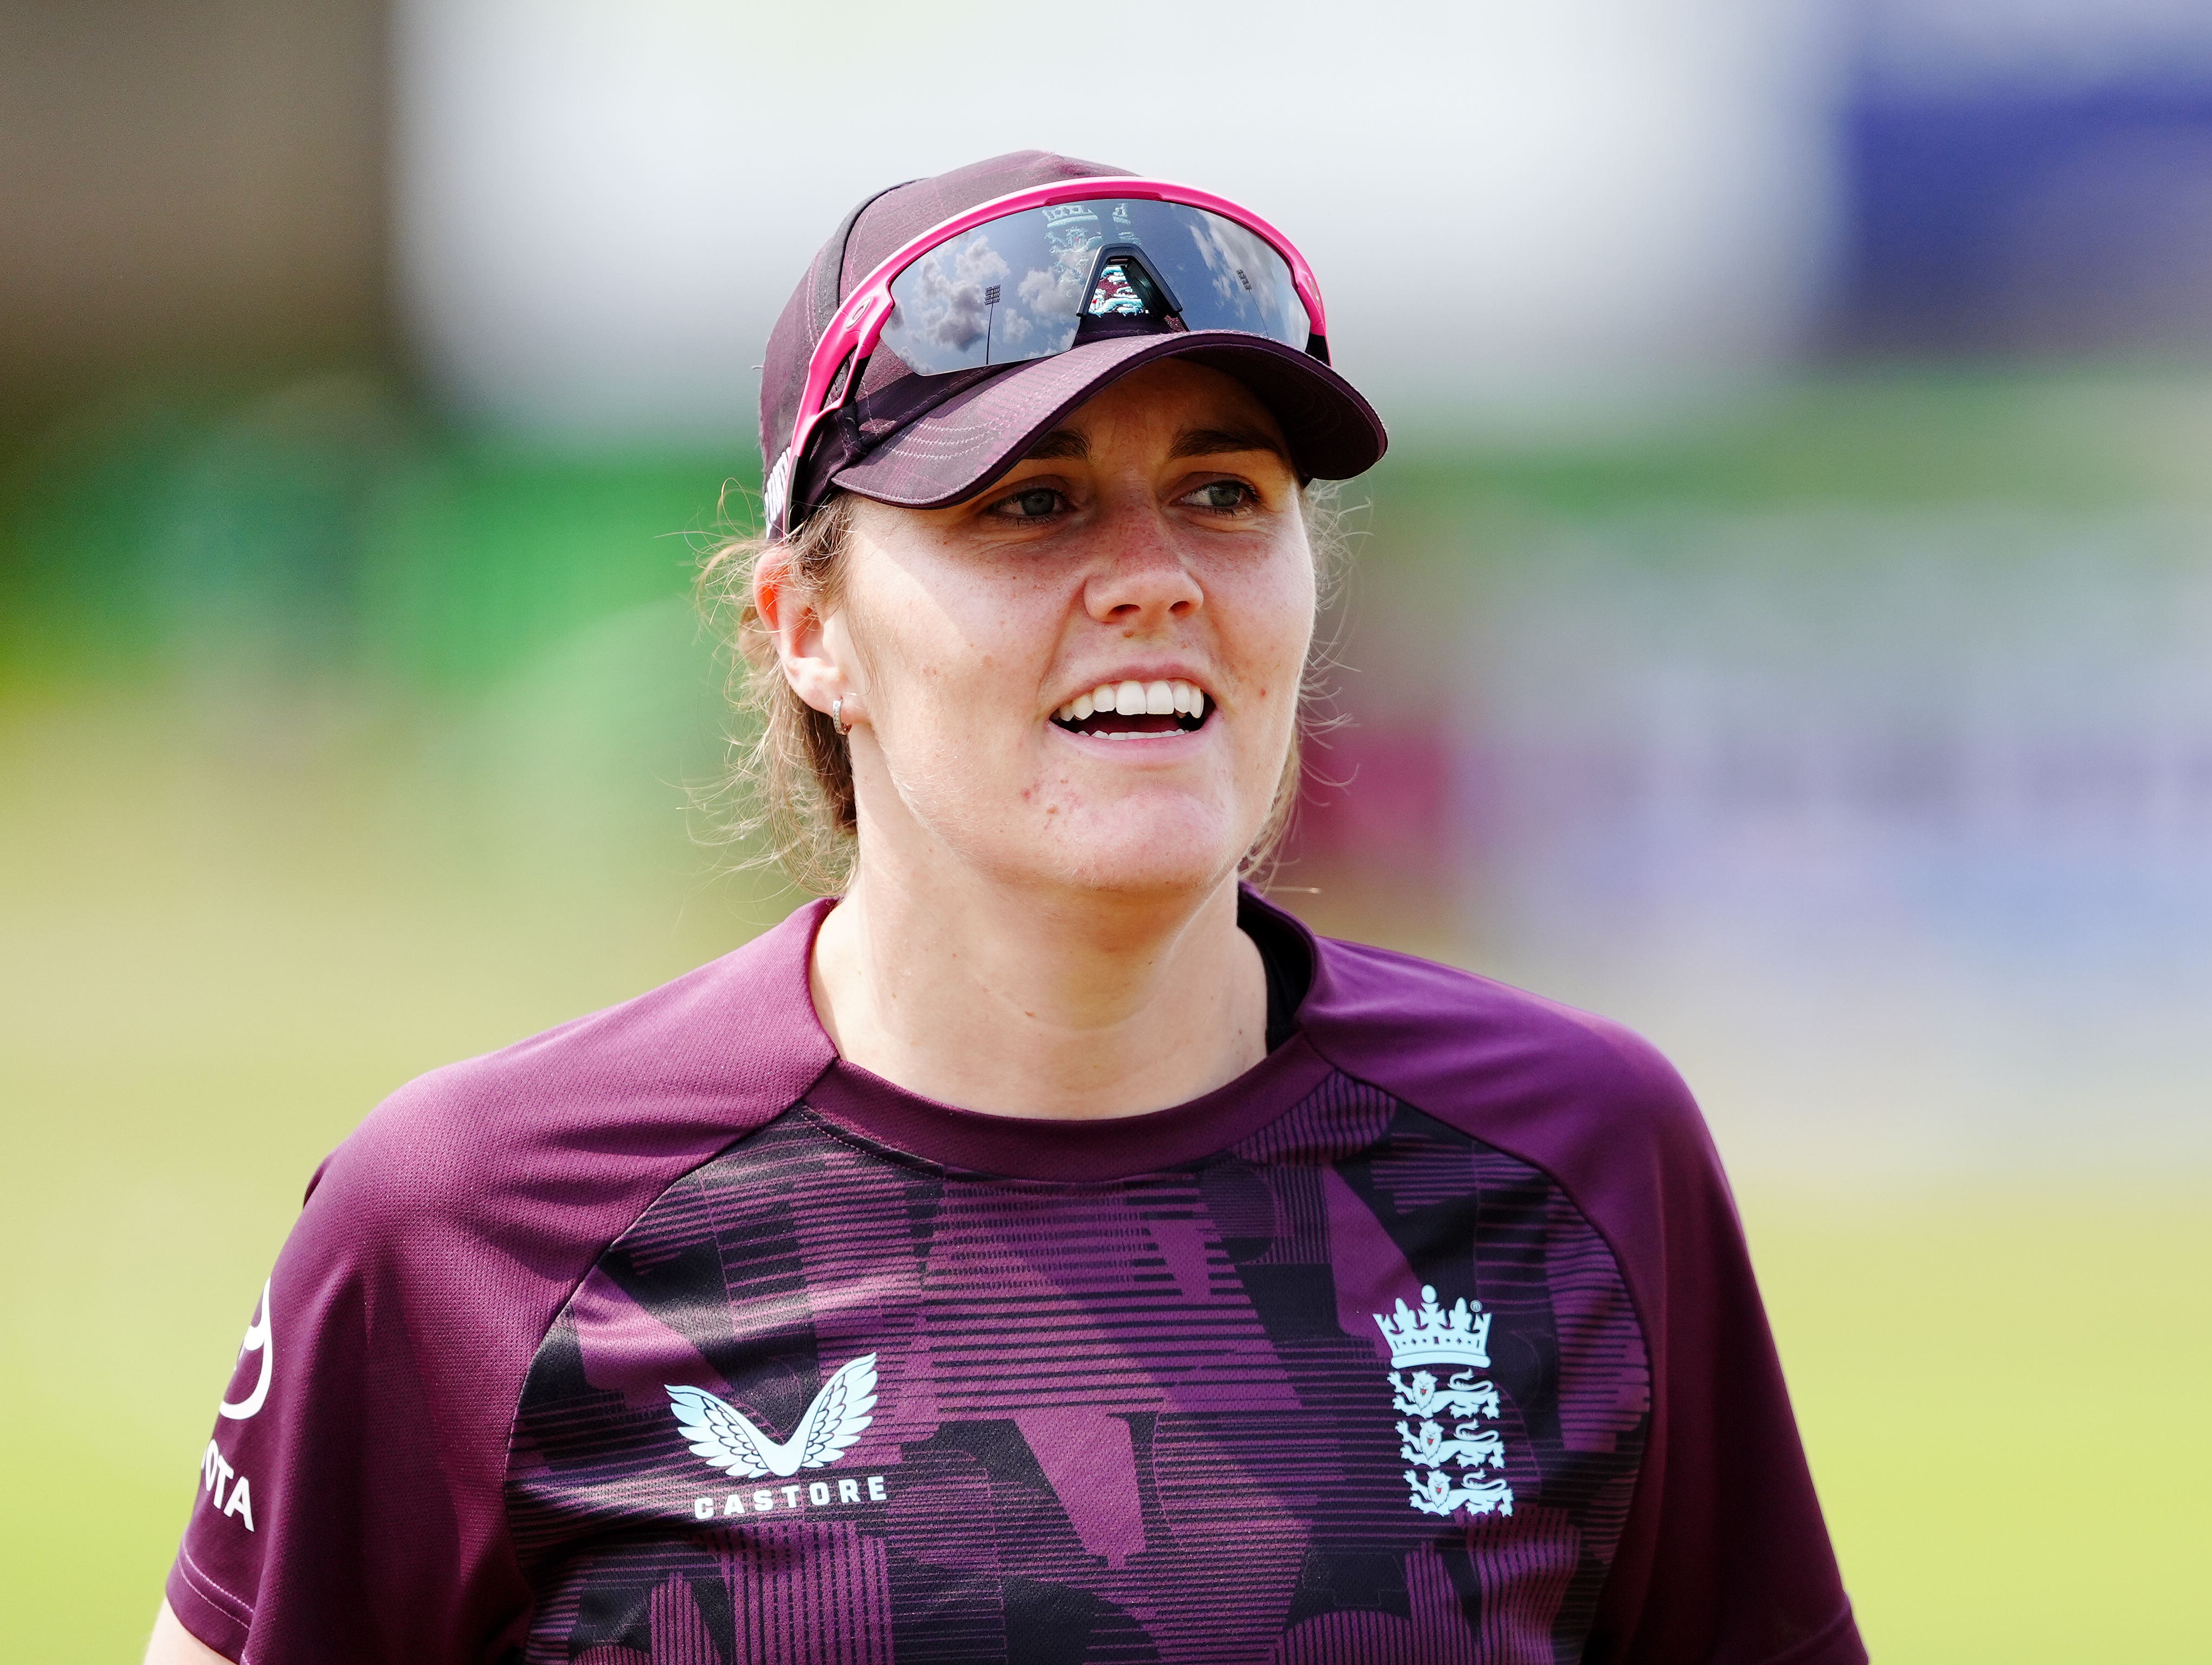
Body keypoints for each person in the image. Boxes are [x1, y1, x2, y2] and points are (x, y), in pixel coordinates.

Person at [150, 151, 1865, 1665]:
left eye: (1224, 493)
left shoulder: (1579, 1155)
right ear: (804, 632)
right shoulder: (464, 1224)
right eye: (1026, 504)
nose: (1153, 575)